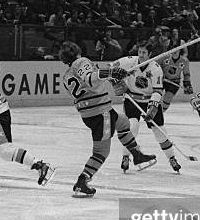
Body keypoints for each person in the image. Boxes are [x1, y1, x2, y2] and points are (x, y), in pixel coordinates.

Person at [59, 41, 157, 197]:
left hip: (93, 112)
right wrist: (110, 73)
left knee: (123, 122)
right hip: (100, 112)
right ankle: (82, 180)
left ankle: (137, 154)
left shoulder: (66, 76)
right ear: (76, 50)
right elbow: (91, 79)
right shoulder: (81, 61)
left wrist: (110, 74)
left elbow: (92, 79)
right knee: (101, 151)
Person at [112, 41, 181, 173]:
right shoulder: (129, 61)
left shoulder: (156, 68)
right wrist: (117, 82)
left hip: (150, 100)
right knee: (132, 127)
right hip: (132, 99)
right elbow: (111, 67)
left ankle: (172, 158)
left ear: (150, 54)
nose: (141, 55)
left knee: (160, 131)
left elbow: (158, 91)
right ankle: (126, 157)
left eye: (144, 53)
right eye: (139, 52)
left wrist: (153, 109)